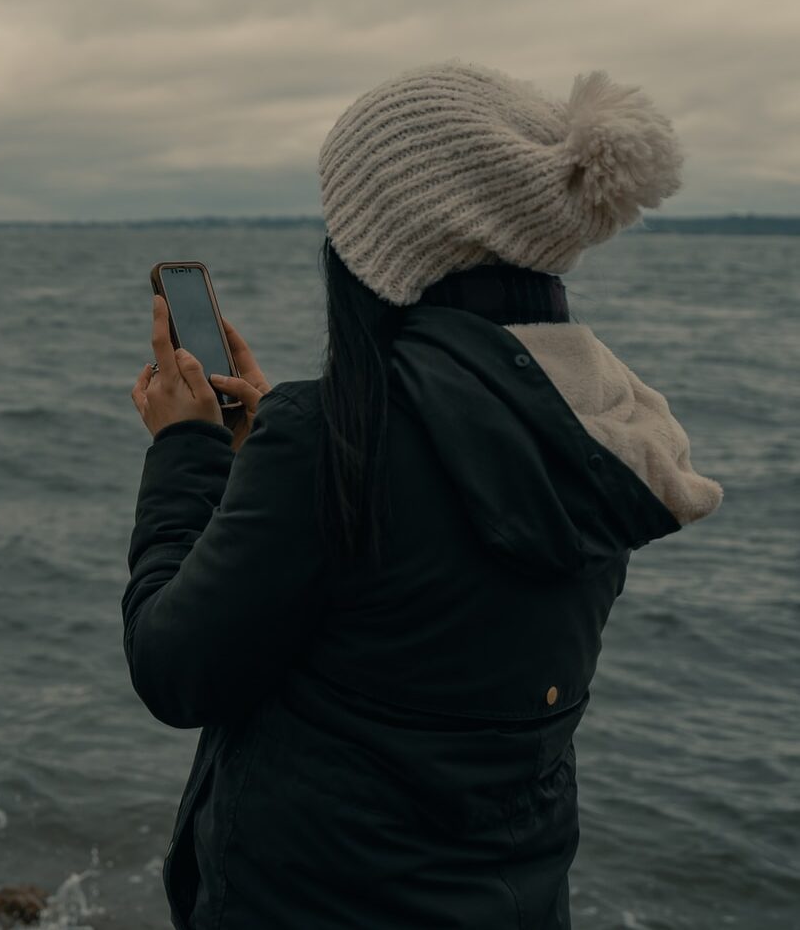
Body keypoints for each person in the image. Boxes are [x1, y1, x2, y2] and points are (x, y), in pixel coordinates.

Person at [124, 60, 723, 929]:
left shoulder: (333, 438)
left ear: (383, 245)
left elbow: (173, 670)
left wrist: (187, 449)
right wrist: (267, 457)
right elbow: (417, 618)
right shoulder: (603, 434)